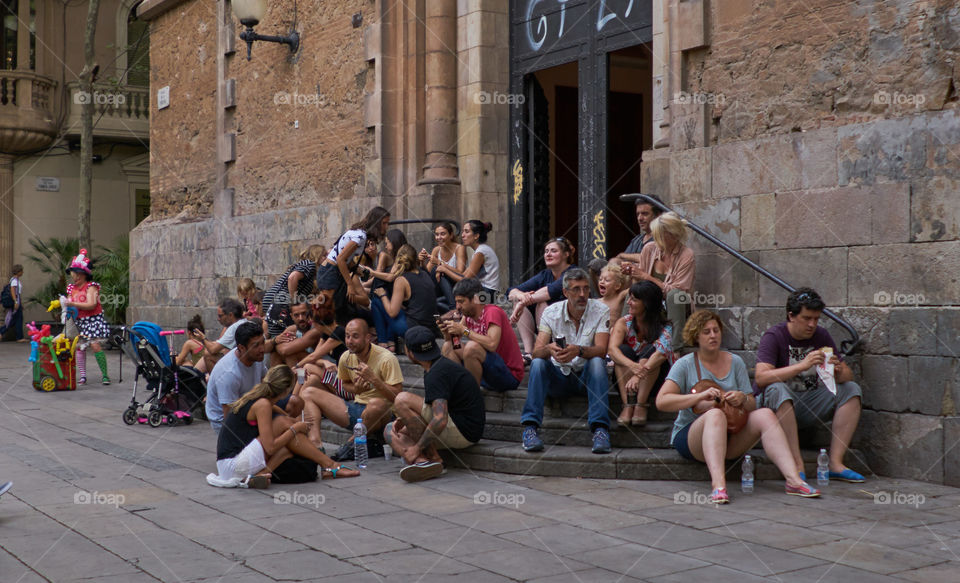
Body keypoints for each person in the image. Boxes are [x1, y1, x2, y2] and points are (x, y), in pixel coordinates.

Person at [656, 310, 820, 504]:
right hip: (692, 436)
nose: (713, 335)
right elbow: (662, 401)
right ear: (696, 337)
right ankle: (718, 486)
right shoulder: (685, 364)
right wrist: (699, 397)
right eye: (706, 332)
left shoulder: (735, 362)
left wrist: (742, 398)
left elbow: (751, 403)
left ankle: (793, 479)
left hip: (731, 433)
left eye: (716, 330)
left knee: (766, 413)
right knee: (715, 414)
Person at [754, 288, 865, 483]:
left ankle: (835, 463)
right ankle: (796, 464)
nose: (812, 324)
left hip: (808, 401)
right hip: (773, 408)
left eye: (816, 318)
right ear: (791, 316)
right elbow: (761, 378)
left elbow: (849, 375)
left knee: (852, 390)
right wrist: (802, 366)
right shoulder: (774, 336)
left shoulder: (821, 336)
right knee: (779, 389)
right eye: (807, 318)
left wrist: (838, 370)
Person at [207, 365, 359, 488]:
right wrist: (296, 428)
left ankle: (263, 473)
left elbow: (283, 415)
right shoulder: (263, 404)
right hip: (233, 465)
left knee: (288, 441)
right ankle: (330, 466)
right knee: (284, 426)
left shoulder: (260, 397)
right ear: (285, 391)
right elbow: (270, 448)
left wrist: (293, 424)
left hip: (228, 465)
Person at [520, 268, 612, 454]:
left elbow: (602, 350)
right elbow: (537, 351)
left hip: (585, 378)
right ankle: (530, 428)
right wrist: (549, 349)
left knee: (596, 362)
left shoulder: (601, 310)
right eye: (576, 289)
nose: (582, 294)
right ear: (565, 292)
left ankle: (601, 431)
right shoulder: (551, 312)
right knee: (538, 363)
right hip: (559, 377)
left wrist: (578, 350)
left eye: (586, 289)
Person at [388, 326, 485, 482]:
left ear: (410, 352)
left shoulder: (437, 372)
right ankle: (422, 462)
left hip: (464, 431)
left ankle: (433, 458)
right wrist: (407, 418)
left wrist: (416, 447)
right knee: (390, 431)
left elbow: (440, 418)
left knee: (401, 399)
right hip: (458, 426)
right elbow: (435, 406)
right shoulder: (436, 366)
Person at [299, 317, 403, 451]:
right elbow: (344, 385)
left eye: (355, 336)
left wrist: (374, 380)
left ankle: (351, 444)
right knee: (308, 393)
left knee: (376, 404)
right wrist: (356, 389)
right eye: (347, 336)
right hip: (358, 409)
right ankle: (316, 445)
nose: (349, 341)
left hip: (383, 416)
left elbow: (398, 396)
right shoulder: (346, 357)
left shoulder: (386, 358)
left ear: (367, 338)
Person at [439, 277, 523, 392]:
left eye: (461, 301)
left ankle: (471, 396)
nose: (457, 306)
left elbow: (492, 344)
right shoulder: (467, 316)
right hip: (486, 373)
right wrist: (447, 334)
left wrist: (464, 330)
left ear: (475, 299)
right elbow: (456, 344)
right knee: (448, 346)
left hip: (508, 376)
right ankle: (459, 391)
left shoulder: (492, 312)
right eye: (456, 302)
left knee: (471, 347)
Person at [608, 281, 675, 426]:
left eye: (634, 299)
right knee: (622, 352)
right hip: (626, 381)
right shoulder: (623, 322)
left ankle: (640, 404)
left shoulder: (665, 327)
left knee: (651, 352)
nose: (629, 303)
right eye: (629, 298)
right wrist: (633, 366)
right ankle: (628, 405)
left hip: (654, 380)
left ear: (647, 303)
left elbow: (660, 354)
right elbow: (612, 350)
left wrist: (638, 375)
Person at [626, 212, 694, 349]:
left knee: (675, 295)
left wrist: (646, 277)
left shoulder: (686, 255)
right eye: (655, 235)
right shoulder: (649, 249)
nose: (656, 239)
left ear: (674, 235)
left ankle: (676, 347)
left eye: (660, 235)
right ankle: (626, 339)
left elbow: (679, 290)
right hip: (650, 300)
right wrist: (632, 273)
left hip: (675, 304)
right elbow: (640, 285)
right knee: (629, 294)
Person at [316, 206, 391, 324]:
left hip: (331, 271)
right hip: (331, 272)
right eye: (384, 223)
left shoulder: (359, 234)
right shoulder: (360, 237)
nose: (386, 227)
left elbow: (346, 259)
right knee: (327, 310)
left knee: (336, 311)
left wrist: (358, 269)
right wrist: (350, 285)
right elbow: (340, 259)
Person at [508, 237, 577, 362]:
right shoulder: (545, 274)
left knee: (541, 303)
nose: (548, 254)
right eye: (546, 251)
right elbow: (511, 291)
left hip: (569, 326)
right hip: (546, 325)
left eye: (553, 251)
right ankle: (529, 352)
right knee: (520, 299)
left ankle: (543, 348)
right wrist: (521, 297)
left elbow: (550, 291)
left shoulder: (573, 272)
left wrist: (522, 302)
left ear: (566, 254)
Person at [205, 322, 267, 434]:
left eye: (263, 342)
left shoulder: (257, 358)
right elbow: (230, 417)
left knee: (292, 403)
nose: (262, 349)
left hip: (249, 407)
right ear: (241, 348)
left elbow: (266, 381)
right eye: (256, 345)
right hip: (226, 422)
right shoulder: (229, 373)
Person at [62, 250, 111, 385]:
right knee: (79, 348)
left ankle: (105, 375)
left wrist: (72, 303)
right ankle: (83, 376)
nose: (75, 277)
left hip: (93, 320)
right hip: (79, 321)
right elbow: (69, 303)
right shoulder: (72, 288)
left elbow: (91, 304)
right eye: (73, 274)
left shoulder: (91, 287)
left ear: (84, 274)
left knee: (95, 345)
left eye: (78, 274)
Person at [372, 244, 439, 336]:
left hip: (413, 329)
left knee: (376, 302)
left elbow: (392, 313)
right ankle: (390, 341)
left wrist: (382, 295)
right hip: (431, 327)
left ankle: (383, 341)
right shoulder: (424, 274)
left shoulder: (401, 280)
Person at [262, 245, 325, 338]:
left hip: (274, 301)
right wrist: (294, 301)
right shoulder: (310, 264)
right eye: (324, 255)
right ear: (317, 255)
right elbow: (292, 278)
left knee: (277, 335)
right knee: (286, 336)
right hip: (280, 302)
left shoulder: (308, 270)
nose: (327, 257)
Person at [436, 219, 500, 298]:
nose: (462, 235)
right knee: (440, 300)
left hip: (488, 294)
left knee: (441, 300)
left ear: (476, 236)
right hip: (483, 291)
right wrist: (444, 266)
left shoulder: (481, 251)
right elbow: (463, 274)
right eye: (463, 231)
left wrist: (444, 269)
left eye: (466, 232)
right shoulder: (480, 250)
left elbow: (465, 280)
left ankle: (453, 307)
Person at [419, 222, 466, 312]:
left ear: (451, 235)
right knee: (436, 271)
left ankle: (453, 308)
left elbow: (460, 273)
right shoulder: (436, 250)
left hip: (456, 286)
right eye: (436, 234)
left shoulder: (459, 248)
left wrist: (440, 264)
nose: (439, 237)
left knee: (440, 271)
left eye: (443, 234)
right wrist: (422, 262)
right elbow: (427, 275)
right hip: (439, 288)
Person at [192, 298, 247, 370]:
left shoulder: (234, 327)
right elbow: (218, 345)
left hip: (239, 364)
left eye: (220, 316)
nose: (218, 319)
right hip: (242, 361)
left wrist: (203, 339)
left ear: (230, 315)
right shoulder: (243, 322)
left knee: (207, 355)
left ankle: (215, 380)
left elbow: (213, 349)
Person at [611, 195, 665, 265]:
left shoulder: (664, 238)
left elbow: (651, 259)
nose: (640, 218)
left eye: (645, 214)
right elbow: (620, 261)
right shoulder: (636, 240)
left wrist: (622, 255)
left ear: (658, 215)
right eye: (637, 214)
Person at [273, 302, 323, 368]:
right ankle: (274, 377)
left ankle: (295, 378)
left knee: (290, 354)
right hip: (307, 364)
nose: (301, 318)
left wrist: (275, 343)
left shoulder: (315, 330)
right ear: (291, 316)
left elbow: (284, 350)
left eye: (304, 313)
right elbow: (274, 347)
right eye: (296, 315)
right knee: (274, 353)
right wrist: (275, 342)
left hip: (324, 365)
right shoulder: (292, 329)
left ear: (310, 313)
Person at [1, 264, 24, 341]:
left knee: (16, 319)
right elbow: (13, 291)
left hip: (17, 302)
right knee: (14, 319)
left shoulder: (14, 280)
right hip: (16, 302)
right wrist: (16, 301)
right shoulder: (14, 281)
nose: (22, 272)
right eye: (21, 271)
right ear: (18, 272)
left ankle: (19, 337)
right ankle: (2, 332)